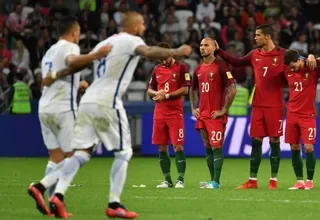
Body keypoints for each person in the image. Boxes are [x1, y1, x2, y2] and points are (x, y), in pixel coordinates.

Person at [28, 11, 191, 219]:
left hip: (87, 101)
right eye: (141, 23)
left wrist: (55, 76)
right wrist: (176, 51)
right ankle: (114, 203)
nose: (143, 27)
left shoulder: (103, 44)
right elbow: (148, 51)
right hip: (107, 102)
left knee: (82, 152)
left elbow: (80, 63)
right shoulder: (131, 40)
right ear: (133, 25)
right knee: (124, 153)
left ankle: (46, 188)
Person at [27, 15, 112, 216]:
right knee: (81, 152)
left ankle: (50, 202)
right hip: (63, 108)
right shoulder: (70, 47)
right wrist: (94, 55)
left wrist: (77, 85)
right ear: (74, 31)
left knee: (56, 157)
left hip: (45, 107)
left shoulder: (49, 52)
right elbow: (72, 62)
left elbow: (49, 79)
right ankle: (43, 188)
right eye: (79, 32)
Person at [215, 24, 317, 189]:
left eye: (258, 35)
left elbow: (298, 62)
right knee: (256, 141)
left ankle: (273, 181)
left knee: (274, 140)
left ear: (268, 37)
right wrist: (219, 51)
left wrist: (309, 56)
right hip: (257, 104)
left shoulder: (283, 54)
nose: (254, 38)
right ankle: (252, 180)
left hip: (275, 105)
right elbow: (237, 61)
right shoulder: (254, 54)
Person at [189, 37, 237, 189]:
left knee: (216, 147)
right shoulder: (198, 69)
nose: (202, 48)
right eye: (201, 45)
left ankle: (216, 182)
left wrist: (224, 109)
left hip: (215, 115)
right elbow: (192, 89)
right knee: (207, 147)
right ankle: (212, 180)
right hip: (202, 115)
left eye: (206, 45)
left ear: (214, 47)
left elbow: (232, 89)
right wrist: (193, 106)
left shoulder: (221, 66)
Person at [147, 42, 191, 189]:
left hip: (175, 112)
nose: (163, 61)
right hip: (159, 113)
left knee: (178, 146)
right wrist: (156, 93)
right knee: (161, 147)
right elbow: (150, 89)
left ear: (171, 54)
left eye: (164, 58)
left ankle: (180, 179)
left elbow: (185, 89)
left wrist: (166, 96)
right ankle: (167, 180)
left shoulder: (182, 67)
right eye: (160, 59)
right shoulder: (157, 69)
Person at [283, 49, 320, 190]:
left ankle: (309, 181)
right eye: (290, 67)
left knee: (309, 147)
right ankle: (299, 181)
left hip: (307, 115)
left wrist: (312, 56)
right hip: (291, 114)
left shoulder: (312, 67)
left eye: (294, 66)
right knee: (294, 147)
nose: (292, 69)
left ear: (299, 60)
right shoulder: (287, 70)